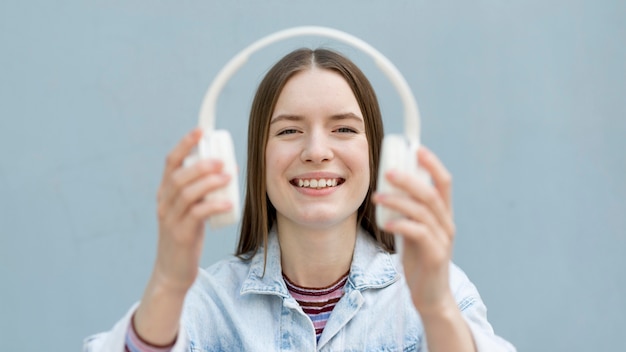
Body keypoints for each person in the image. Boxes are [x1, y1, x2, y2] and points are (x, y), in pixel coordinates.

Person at [84, 48, 516, 351]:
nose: (316, 150)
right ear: (259, 156)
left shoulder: (440, 292)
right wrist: (168, 284)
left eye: (343, 129)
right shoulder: (201, 302)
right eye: (289, 130)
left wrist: (437, 309)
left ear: (381, 157)